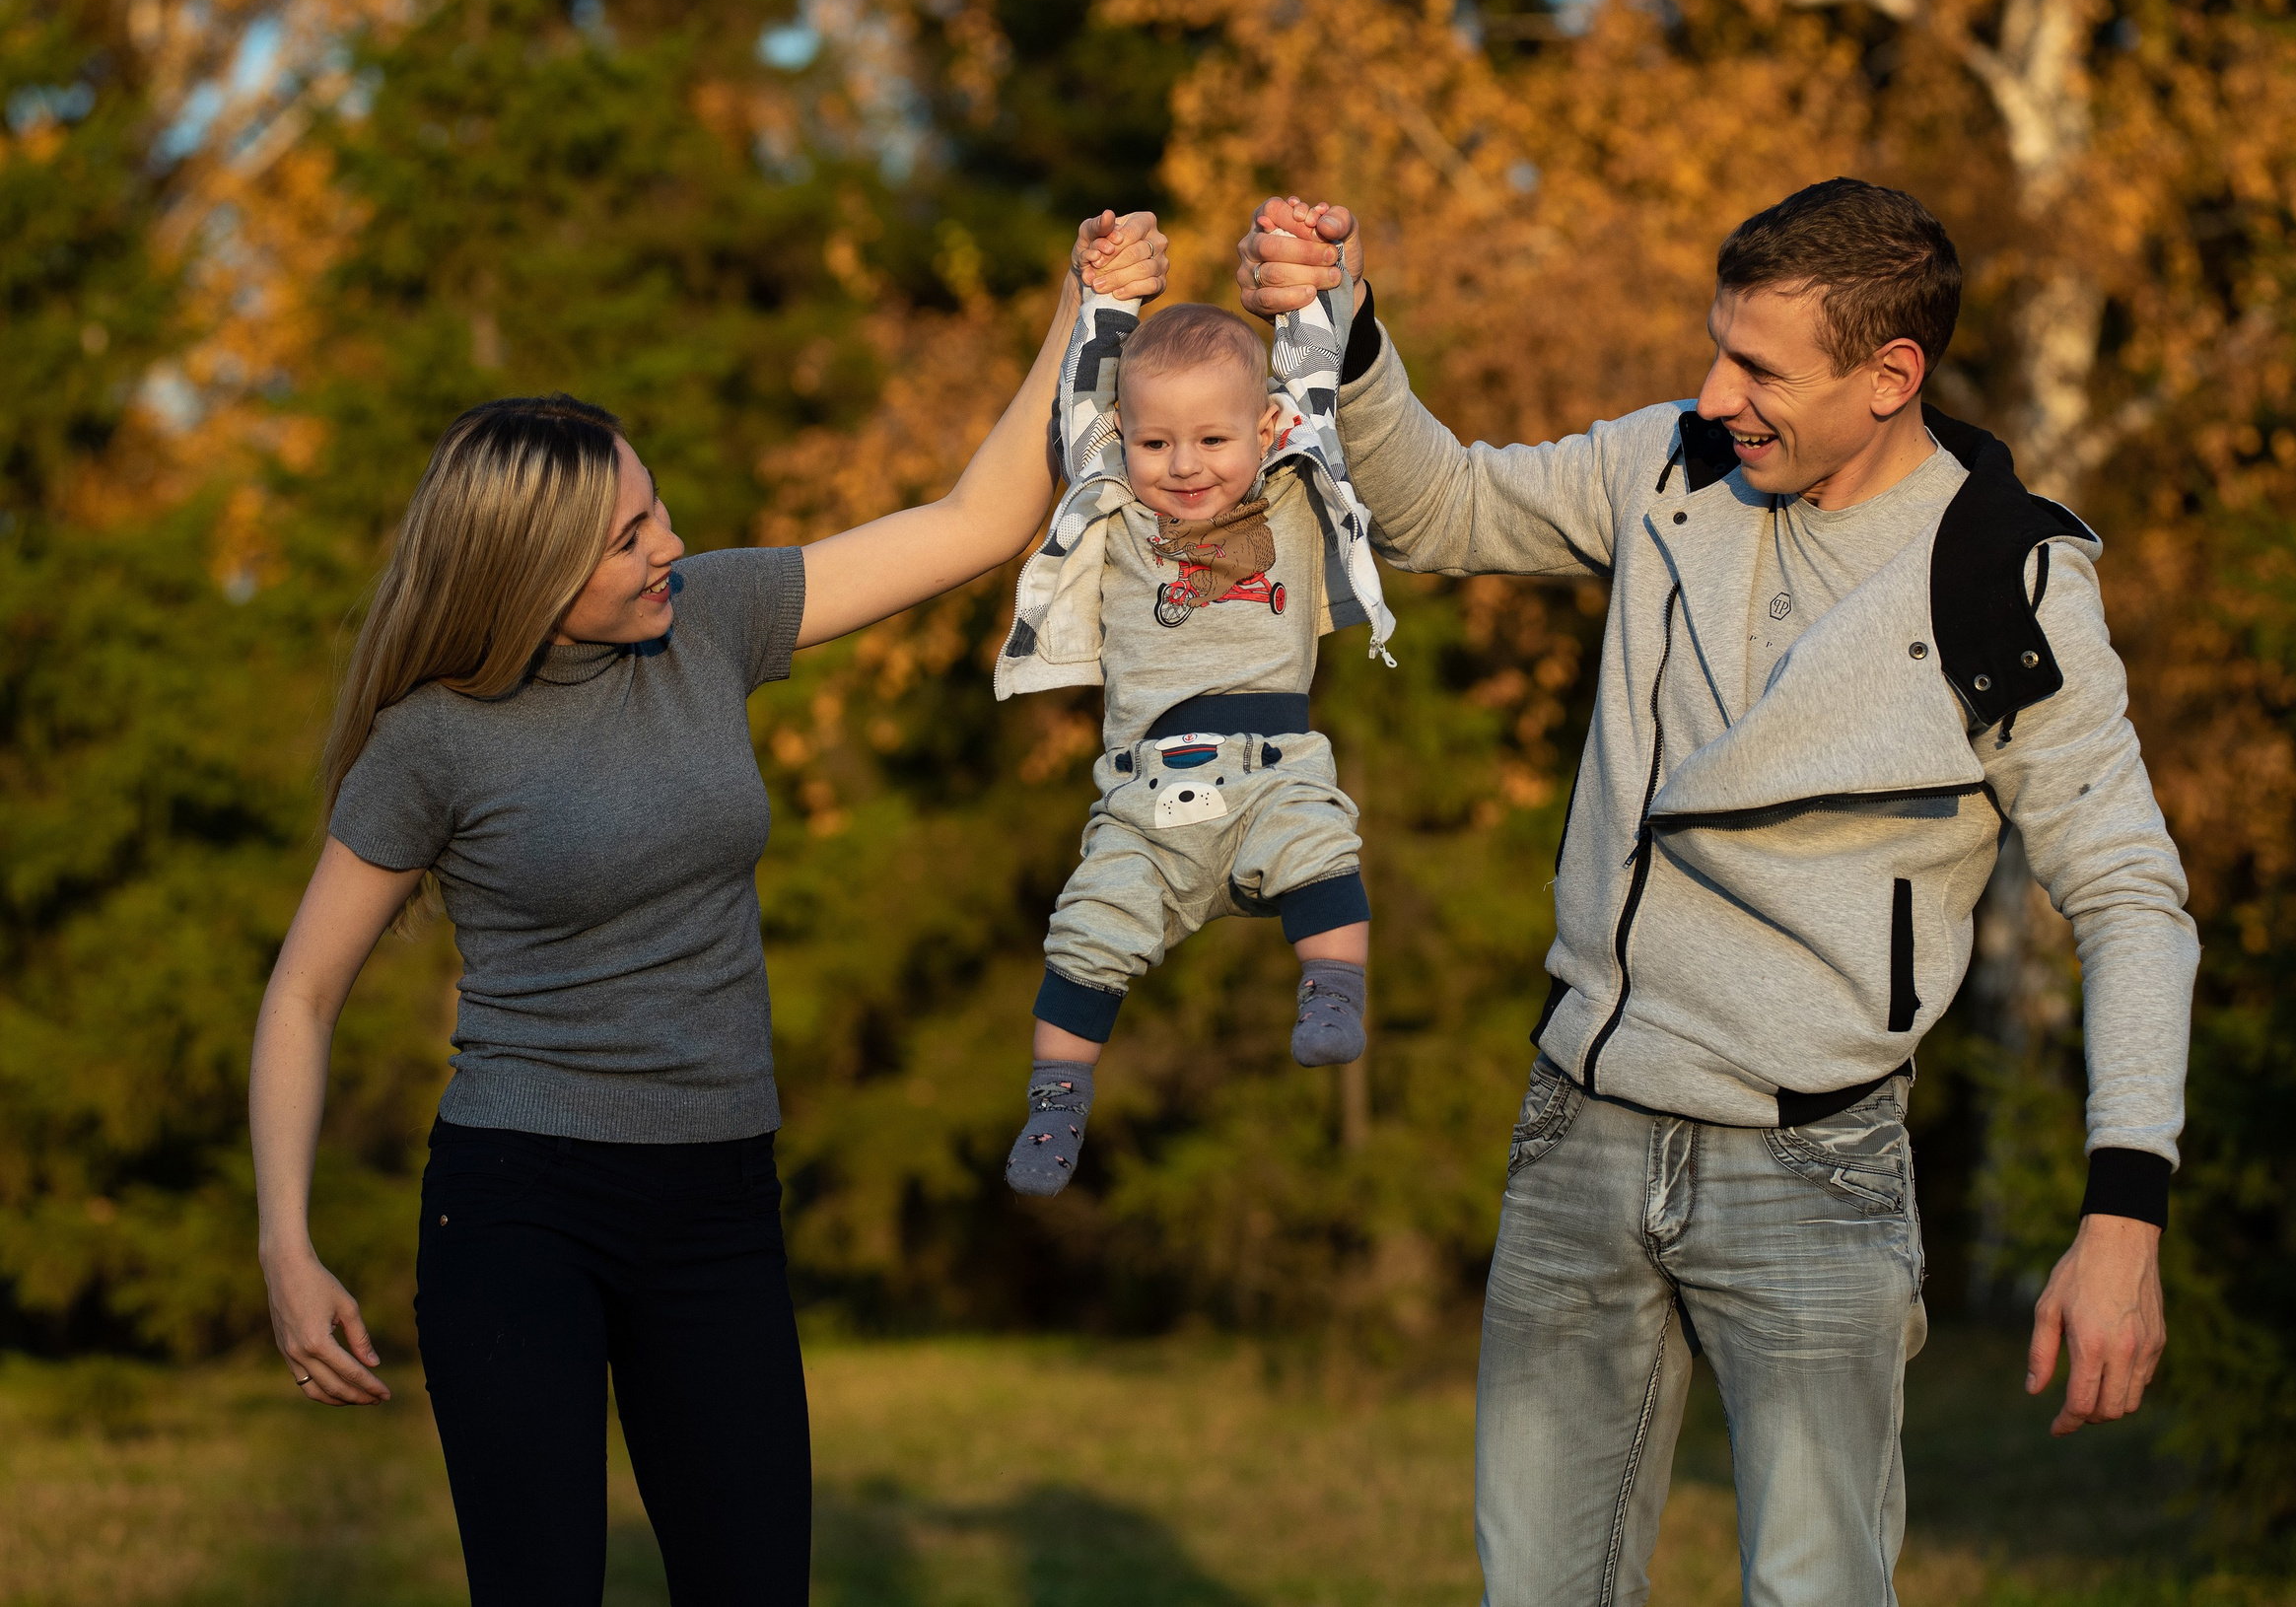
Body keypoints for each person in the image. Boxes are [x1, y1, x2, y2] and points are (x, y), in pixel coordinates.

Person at [1238, 180, 2195, 1605]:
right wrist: (1345, 326)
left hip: (1814, 1164)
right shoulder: (1671, 467)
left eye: (1759, 369)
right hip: (1580, 1127)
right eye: (1716, 347)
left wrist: (2124, 1212)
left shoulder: (2003, 578)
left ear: (1891, 376)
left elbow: (2127, 895)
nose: (1713, 395)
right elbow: (1438, 505)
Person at [247, 211, 1168, 1605]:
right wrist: (287, 1242)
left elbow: (976, 522)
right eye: (631, 536)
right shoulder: (433, 740)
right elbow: (303, 993)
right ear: (533, 575)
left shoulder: (711, 619)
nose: (670, 544)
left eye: (658, 509)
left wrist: (1077, 307)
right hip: (520, 1206)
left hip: (719, 1195)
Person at [994, 250, 1396, 1196]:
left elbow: (1314, 373)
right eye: (1156, 442)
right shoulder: (1115, 505)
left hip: (1273, 768)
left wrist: (1311, 268)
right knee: (1087, 928)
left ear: (1265, 428)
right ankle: (1056, 1100)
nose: (1184, 465)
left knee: (1321, 845)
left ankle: (1333, 993)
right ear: (1125, 438)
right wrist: (1106, 290)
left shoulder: (1289, 485)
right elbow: (1082, 394)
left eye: (1213, 439)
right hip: (1143, 799)